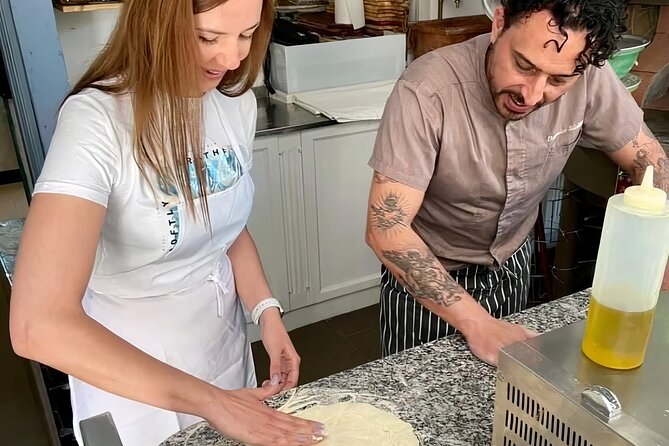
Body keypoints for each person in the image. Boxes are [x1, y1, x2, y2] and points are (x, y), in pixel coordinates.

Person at [8, 0, 326, 445]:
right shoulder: (97, 121)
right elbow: (37, 325)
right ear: (154, 23)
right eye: (207, 38)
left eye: (247, 34)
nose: (232, 60)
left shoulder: (231, 106)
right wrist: (212, 402)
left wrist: (266, 313)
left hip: (222, 346)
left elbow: (224, 229)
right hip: (132, 373)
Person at [366, 0, 669, 365]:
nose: (532, 94)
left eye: (558, 80)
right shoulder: (426, 89)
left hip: (512, 267)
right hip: (428, 277)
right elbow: (387, 229)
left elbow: (653, 161)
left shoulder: (587, 74)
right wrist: (478, 323)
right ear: (498, 24)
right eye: (523, 65)